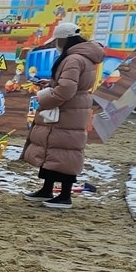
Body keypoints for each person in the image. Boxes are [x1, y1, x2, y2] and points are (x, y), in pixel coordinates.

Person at [21, 21, 105, 209]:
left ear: (64, 40)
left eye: (57, 40)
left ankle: (64, 196)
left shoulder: (73, 59)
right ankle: (47, 189)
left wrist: (44, 96)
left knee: (64, 152)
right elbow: (68, 84)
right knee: (54, 150)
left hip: (67, 111)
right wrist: (51, 83)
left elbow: (65, 91)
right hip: (73, 109)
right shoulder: (82, 56)